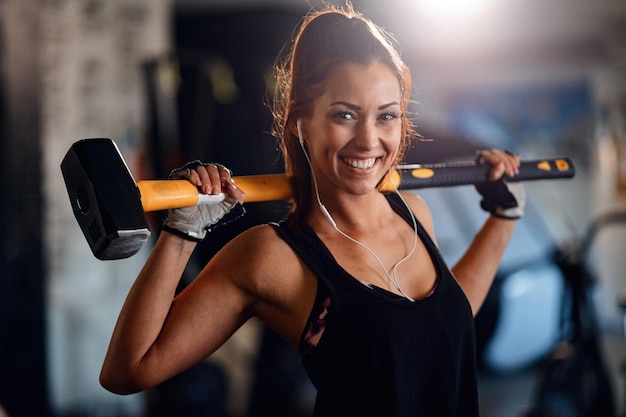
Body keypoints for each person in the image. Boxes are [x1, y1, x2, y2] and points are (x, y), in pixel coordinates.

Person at [99, 5, 524, 416]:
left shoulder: (412, 212)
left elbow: (441, 328)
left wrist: (503, 218)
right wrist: (182, 233)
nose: (368, 140)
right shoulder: (273, 257)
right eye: (345, 115)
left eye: (386, 117)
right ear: (302, 122)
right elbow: (128, 370)